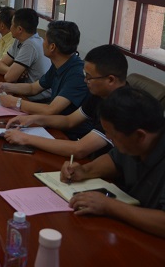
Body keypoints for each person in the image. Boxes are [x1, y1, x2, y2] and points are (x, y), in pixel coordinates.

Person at [61, 87, 165, 238]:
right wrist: (85, 170)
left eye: (111, 134)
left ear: (140, 136)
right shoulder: (134, 141)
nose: (108, 137)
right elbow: (115, 160)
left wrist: (108, 206)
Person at [4, 44, 128, 159]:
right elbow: (69, 121)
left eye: (89, 77)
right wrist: (34, 119)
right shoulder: (100, 94)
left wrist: (25, 139)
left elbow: (79, 149)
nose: (85, 81)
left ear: (110, 80)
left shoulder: (122, 107)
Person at [0, 21, 89, 132]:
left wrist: (15, 102)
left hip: (70, 133)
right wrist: (5, 86)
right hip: (53, 123)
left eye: (45, 40)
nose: (42, 43)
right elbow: (33, 88)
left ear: (52, 47)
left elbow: (51, 110)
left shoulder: (77, 74)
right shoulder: (59, 64)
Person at [0, 8, 51, 89]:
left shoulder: (30, 45)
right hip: (23, 89)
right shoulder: (19, 40)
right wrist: (12, 71)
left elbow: (9, 77)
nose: (10, 28)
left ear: (19, 29)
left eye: (12, 25)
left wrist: (12, 72)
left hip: (35, 95)